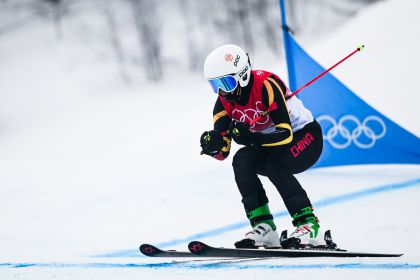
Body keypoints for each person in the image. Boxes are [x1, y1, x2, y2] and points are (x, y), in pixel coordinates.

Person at [200, 44, 325, 249]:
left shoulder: (266, 85)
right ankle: (264, 227)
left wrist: (251, 137)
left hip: (305, 136)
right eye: (215, 85)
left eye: (227, 83)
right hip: (271, 144)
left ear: (242, 76)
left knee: (274, 165)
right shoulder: (222, 104)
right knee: (241, 160)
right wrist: (213, 146)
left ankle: (309, 226)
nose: (222, 92)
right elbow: (223, 153)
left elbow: (285, 134)